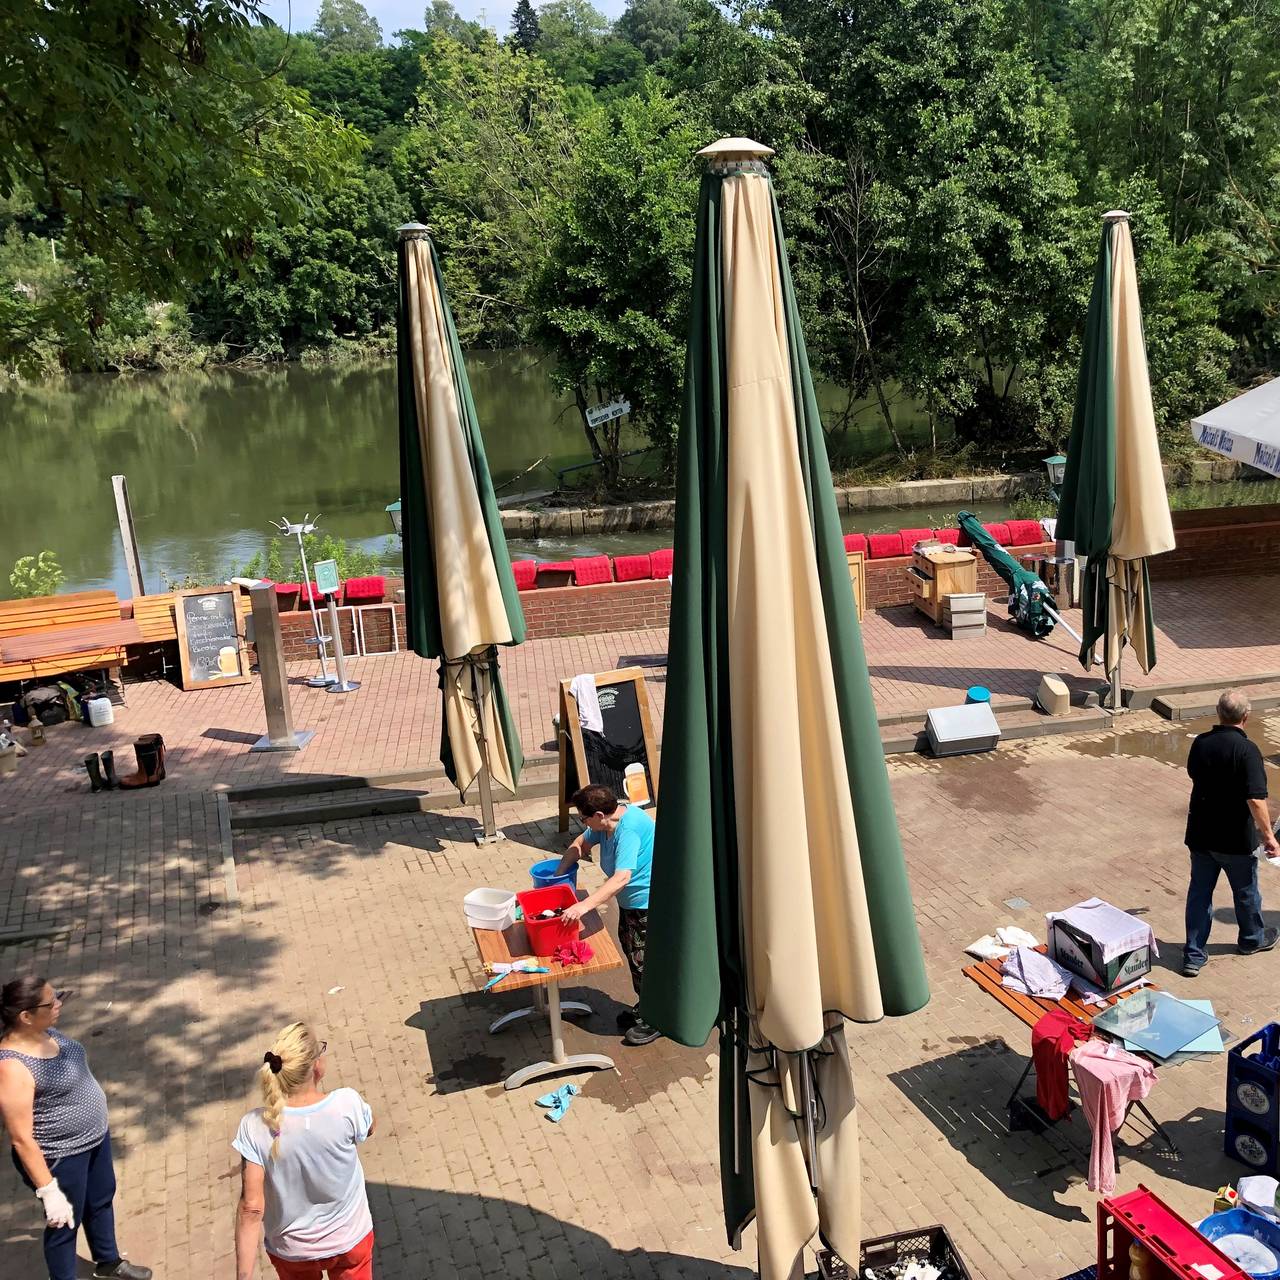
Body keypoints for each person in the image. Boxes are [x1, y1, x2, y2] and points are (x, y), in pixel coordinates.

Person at [0, 977, 151, 1280]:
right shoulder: (11, 1067)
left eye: (57, 996)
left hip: (94, 1139)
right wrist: (49, 1190)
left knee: (101, 1199)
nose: (59, 1004)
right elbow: (20, 1138)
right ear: (25, 1016)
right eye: (51, 1002)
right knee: (64, 1224)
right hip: (60, 1157)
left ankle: (108, 1262)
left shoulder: (44, 1032)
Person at [234, 1022, 376, 1280]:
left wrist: (242, 1276)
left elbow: (251, 1208)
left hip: (291, 1251)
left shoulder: (254, 1126)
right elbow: (369, 1128)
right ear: (316, 1066)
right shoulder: (346, 1104)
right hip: (350, 1239)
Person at [1183, 688, 1280, 977]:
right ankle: (1251, 940)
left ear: (1219, 713)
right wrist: (1269, 837)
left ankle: (1193, 955)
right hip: (1235, 840)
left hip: (1201, 834)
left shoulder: (1201, 742)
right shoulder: (1247, 750)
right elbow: (1255, 799)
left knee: (1200, 893)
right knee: (1246, 891)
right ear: (1246, 717)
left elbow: (1193, 774)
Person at [555, 783, 659, 1046]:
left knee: (643, 959)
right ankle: (647, 1005)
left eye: (584, 817)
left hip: (646, 904)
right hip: (630, 903)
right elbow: (580, 843)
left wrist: (583, 906)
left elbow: (622, 877)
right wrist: (557, 876)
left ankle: (656, 1018)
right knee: (632, 951)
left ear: (599, 815)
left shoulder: (629, 830)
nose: (583, 822)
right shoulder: (605, 825)